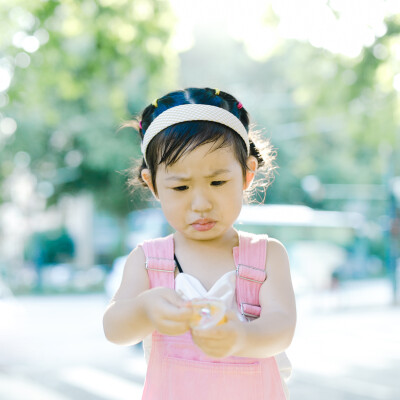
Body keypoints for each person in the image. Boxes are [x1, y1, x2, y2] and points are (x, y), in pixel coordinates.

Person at [103, 87, 297, 399]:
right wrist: (144, 309)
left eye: (218, 182)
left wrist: (242, 337)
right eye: (180, 187)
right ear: (153, 184)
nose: (201, 203)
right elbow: (114, 328)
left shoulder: (267, 256)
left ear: (247, 174)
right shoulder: (148, 260)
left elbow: (281, 328)